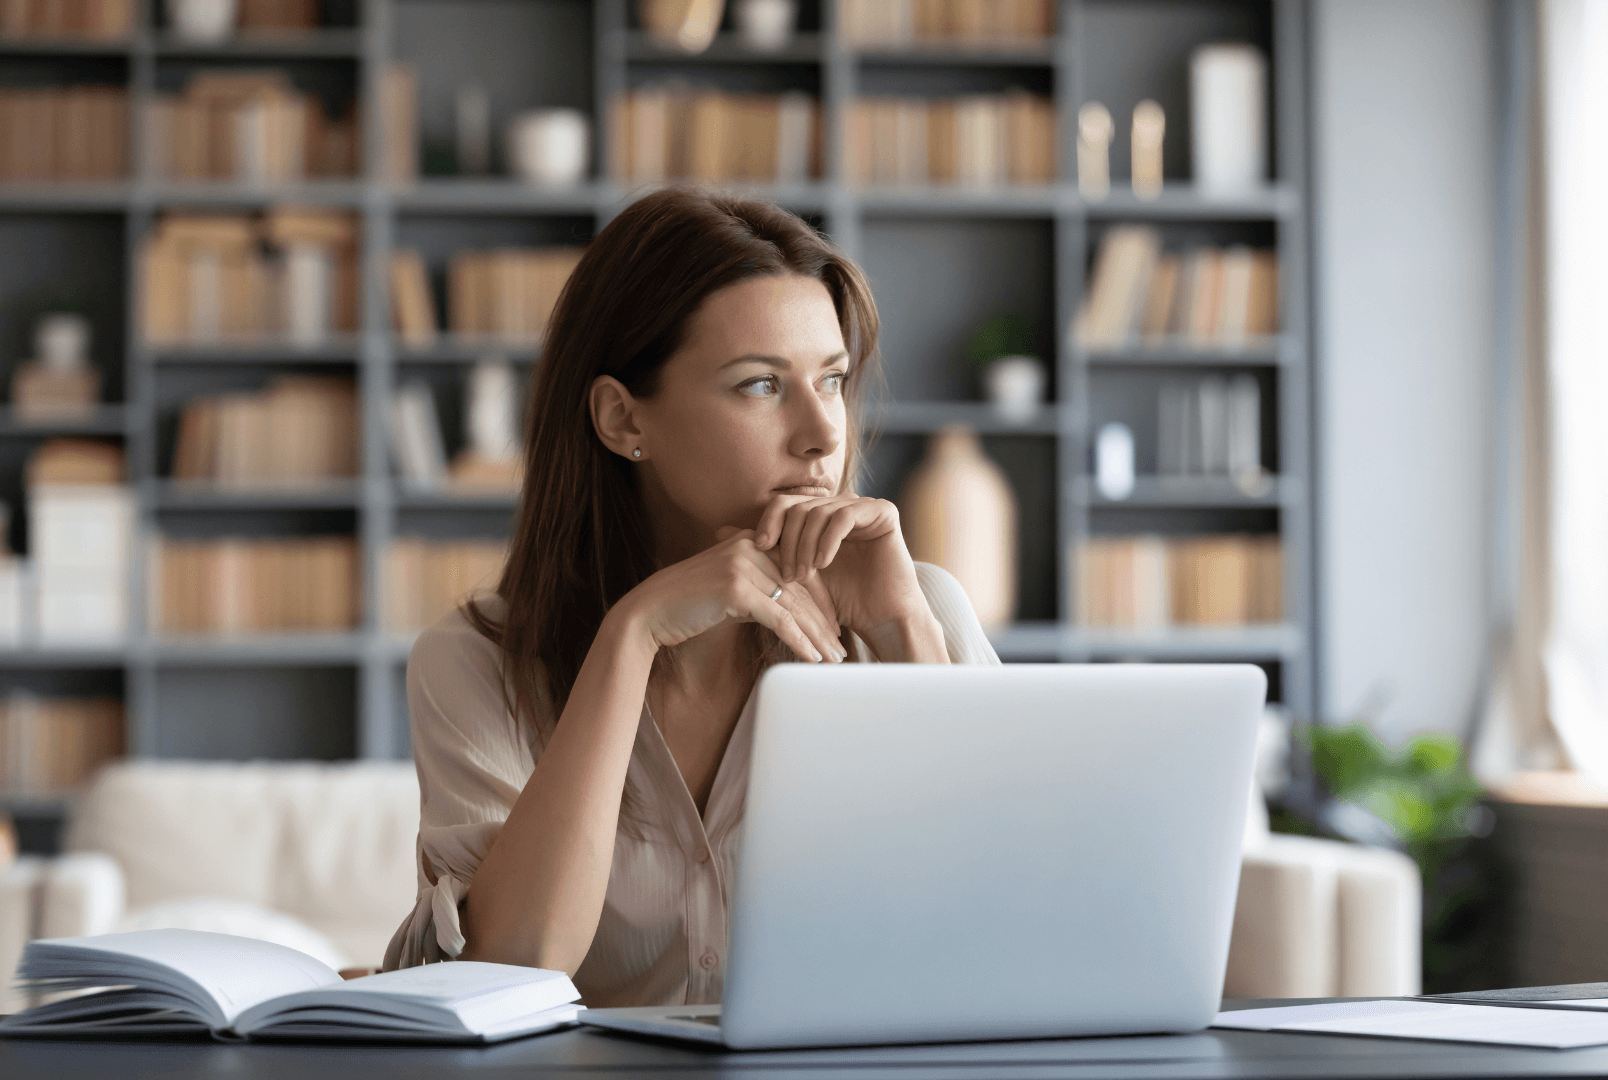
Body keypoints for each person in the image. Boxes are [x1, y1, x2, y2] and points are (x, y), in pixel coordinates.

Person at [382, 187, 1001, 1006]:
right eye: (760, 386)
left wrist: (901, 633)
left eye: (834, 380)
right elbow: (513, 966)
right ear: (621, 419)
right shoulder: (474, 663)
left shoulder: (916, 609)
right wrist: (630, 635)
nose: (822, 432)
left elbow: (1004, 921)